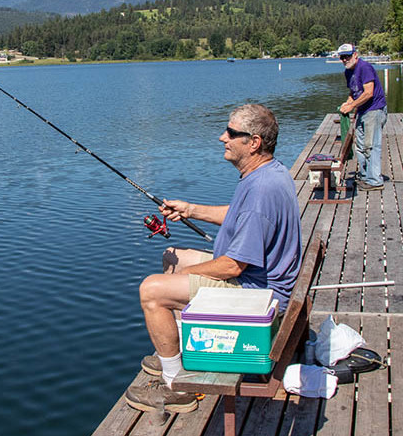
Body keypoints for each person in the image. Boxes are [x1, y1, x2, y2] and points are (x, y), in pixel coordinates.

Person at [124, 103, 302, 414]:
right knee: (173, 256)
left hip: (259, 296)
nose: (223, 137)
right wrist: (190, 209)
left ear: (254, 142)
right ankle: (178, 350)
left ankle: (178, 385)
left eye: (232, 133)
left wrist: (177, 282)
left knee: (152, 289)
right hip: (259, 281)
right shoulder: (269, 172)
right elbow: (239, 216)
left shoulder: (261, 189)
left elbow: (233, 266)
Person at [337, 43, 388, 191]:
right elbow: (354, 92)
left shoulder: (364, 68)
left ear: (355, 55)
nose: (345, 60)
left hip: (374, 110)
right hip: (362, 111)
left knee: (371, 145)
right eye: (342, 57)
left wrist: (352, 106)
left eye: (347, 56)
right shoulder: (348, 72)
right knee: (360, 145)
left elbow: (368, 93)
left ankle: (375, 181)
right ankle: (366, 176)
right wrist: (347, 103)